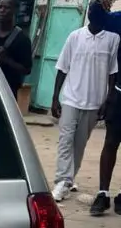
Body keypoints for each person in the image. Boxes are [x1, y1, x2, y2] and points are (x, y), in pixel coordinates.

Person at [50, 14, 119, 203]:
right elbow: (62, 67)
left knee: (79, 143)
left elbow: (113, 73)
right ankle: (62, 180)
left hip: (94, 102)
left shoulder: (112, 39)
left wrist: (107, 100)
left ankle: (69, 177)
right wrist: (56, 97)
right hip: (71, 98)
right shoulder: (75, 36)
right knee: (65, 140)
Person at [86, 0, 121, 215]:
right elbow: (98, 18)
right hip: (120, 94)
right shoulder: (120, 19)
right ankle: (103, 194)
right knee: (111, 143)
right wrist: (97, 2)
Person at [0, 0, 33, 98]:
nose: (2, 10)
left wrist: (7, 60)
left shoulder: (22, 39)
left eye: (6, 8)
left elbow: (27, 69)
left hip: (7, 93)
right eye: (0, 7)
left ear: (15, 10)